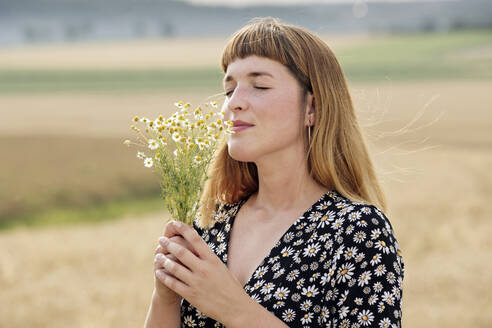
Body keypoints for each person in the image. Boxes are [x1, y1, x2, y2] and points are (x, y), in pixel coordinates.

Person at [144, 17, 404, 328]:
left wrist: (236, 310)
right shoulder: (211, 225)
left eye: (260, 85)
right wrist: (166, 297)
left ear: (313, 108)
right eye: (229, 90)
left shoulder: (357, 232)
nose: (233, 104)